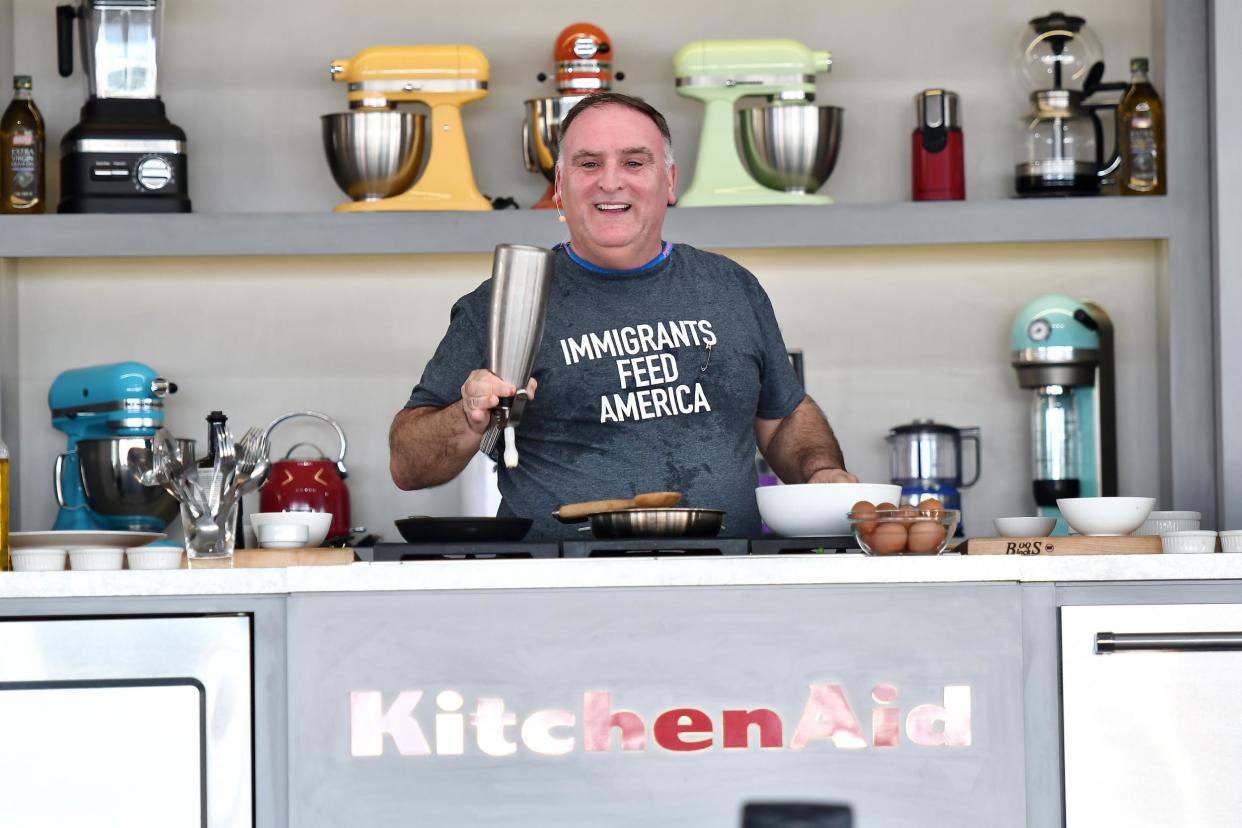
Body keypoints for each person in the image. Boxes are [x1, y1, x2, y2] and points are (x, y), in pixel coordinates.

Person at [390, 92, 858, 540]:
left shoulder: (731, 287)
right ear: (559, 186)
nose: (610, 181)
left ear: (669, 182)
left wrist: (822, 470)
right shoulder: (503, 305)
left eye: (634, 162)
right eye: (588, 164)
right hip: (557, 589)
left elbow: (783, 415)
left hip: (724, 581)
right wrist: (467, 417)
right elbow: (408, 466)